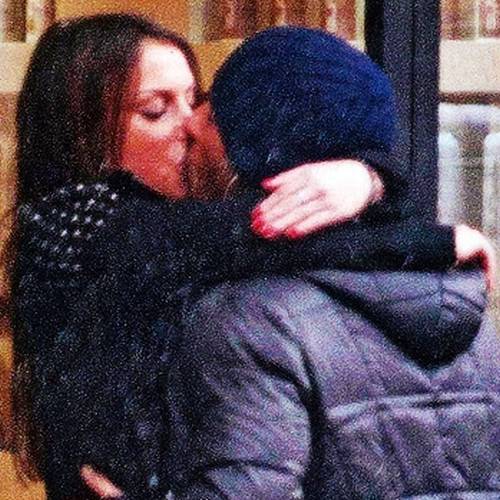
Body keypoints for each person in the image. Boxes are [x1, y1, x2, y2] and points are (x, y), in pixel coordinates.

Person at [8, 13, 494, 500]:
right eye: (156, 110)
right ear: (82, 135)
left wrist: (366, 180)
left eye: (196, 100)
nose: (190, 124)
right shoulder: (74, 224)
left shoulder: (231, 275)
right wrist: (405, 219)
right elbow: (258, 230)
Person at [158, 27, 500, 499]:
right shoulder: (471, 318)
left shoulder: (248, 322)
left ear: (265, 162)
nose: (190, 124)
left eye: (215, 116)